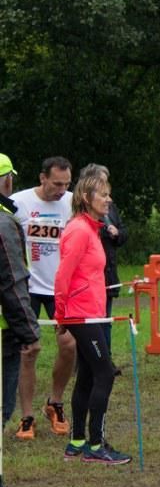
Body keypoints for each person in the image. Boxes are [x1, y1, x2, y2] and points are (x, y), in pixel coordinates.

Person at [54, 171, 130, 465]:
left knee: (87, 375)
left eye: (109, 194)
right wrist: (61, 314)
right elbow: (63, 275)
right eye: (104, 194)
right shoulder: (79, 230)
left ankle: (76, 443)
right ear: (86, 198)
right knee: (105, 373)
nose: (109, 199)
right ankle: (96, 446)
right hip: (81, 314)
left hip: (92, 313)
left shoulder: (92, 229)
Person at [11, 156, 75, 441]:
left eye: (66, 184)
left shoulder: (74, 202)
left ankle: (55, 402)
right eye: (56, 183)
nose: (61, 190)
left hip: (60, 287)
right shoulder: (19, 203)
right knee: (29, 351)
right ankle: (26, 417)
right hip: (27, 287)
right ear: (42, 178)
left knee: (69, 345)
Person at [0, 152, 41, 487]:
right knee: (1, 408)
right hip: (3, 335)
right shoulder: (3, 224)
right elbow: (12, 282)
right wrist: (29, 332)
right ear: (6, 181)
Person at [79, 164, 127, 369]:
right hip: (88, 281)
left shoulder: (110, 208)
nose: (108, 197)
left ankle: (104, 359)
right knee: (89, 323)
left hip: (108, 274)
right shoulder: (80, 223)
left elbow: (124, 232)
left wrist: (118, 233)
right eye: (102, 189)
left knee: (105, 319)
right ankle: (89, 361)